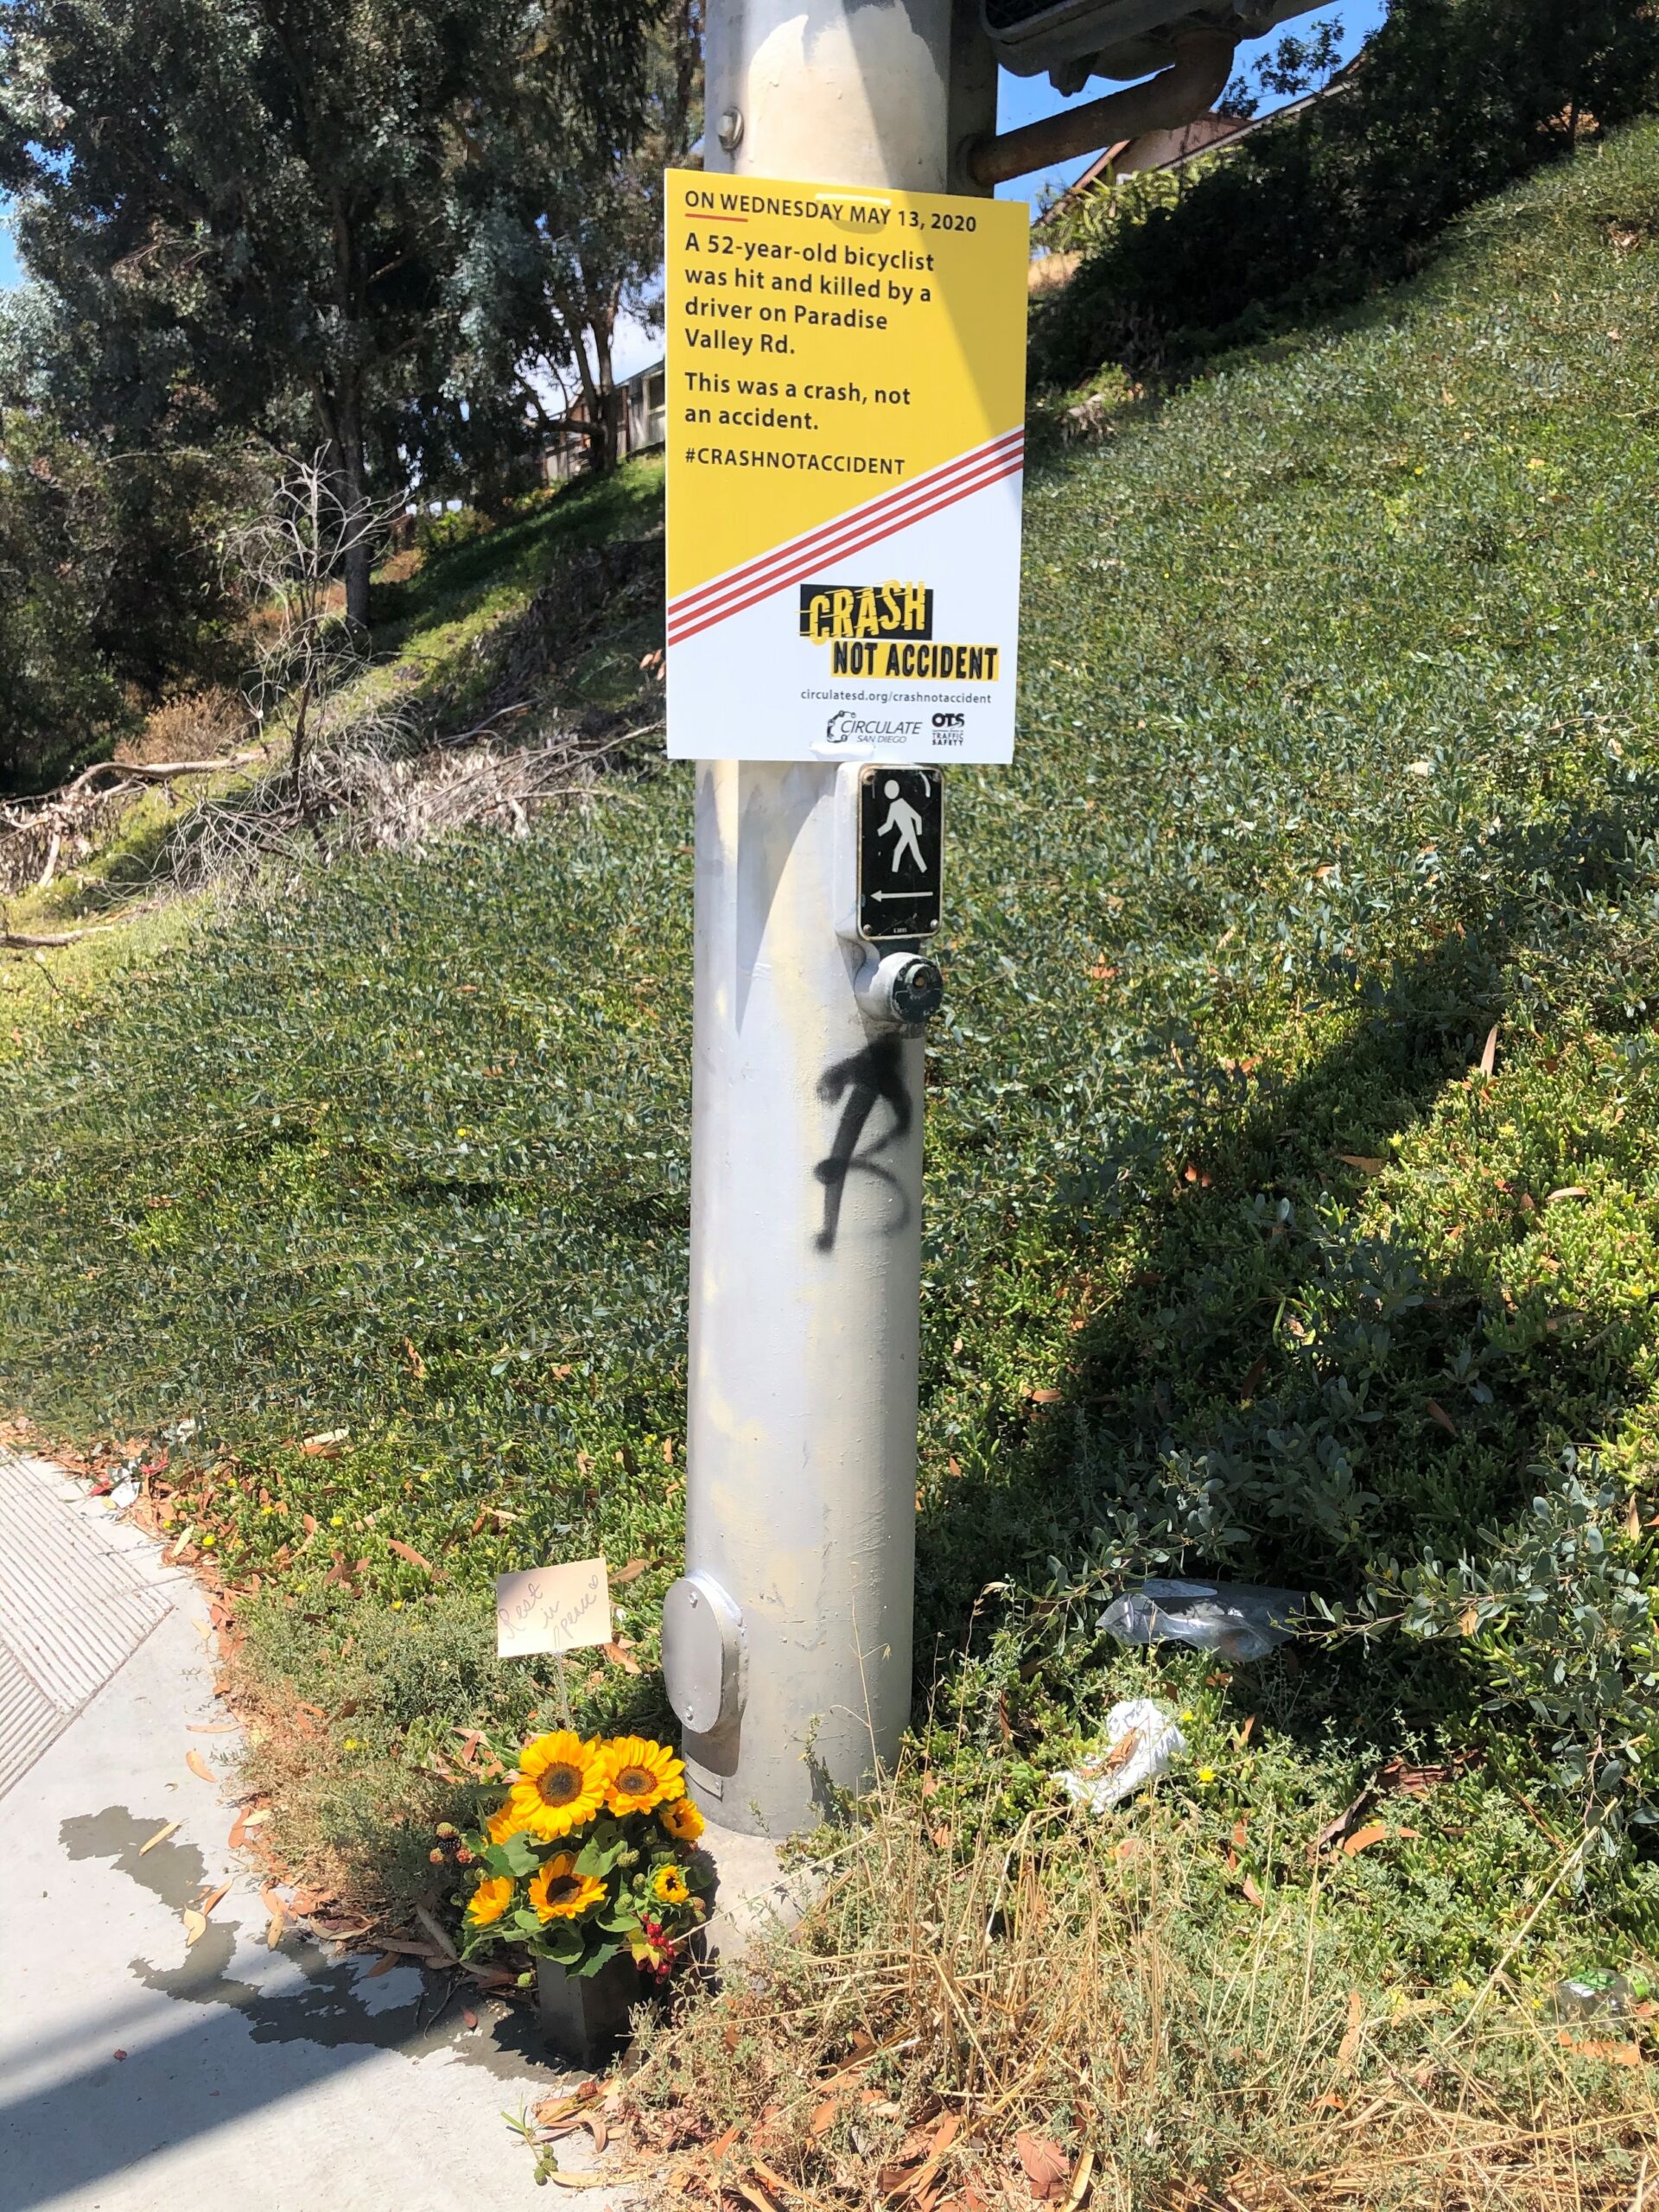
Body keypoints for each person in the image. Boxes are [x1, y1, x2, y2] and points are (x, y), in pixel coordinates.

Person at [877, 778, 926, 872]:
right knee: (914, 853)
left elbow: (917, 817)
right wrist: (878, 833)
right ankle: (924, 871)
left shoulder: (901, 804)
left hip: (909, 833)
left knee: (900, 852)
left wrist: (919, 833)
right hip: (907, 833)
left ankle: (894, 873)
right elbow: (889, 825)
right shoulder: (894, 806)